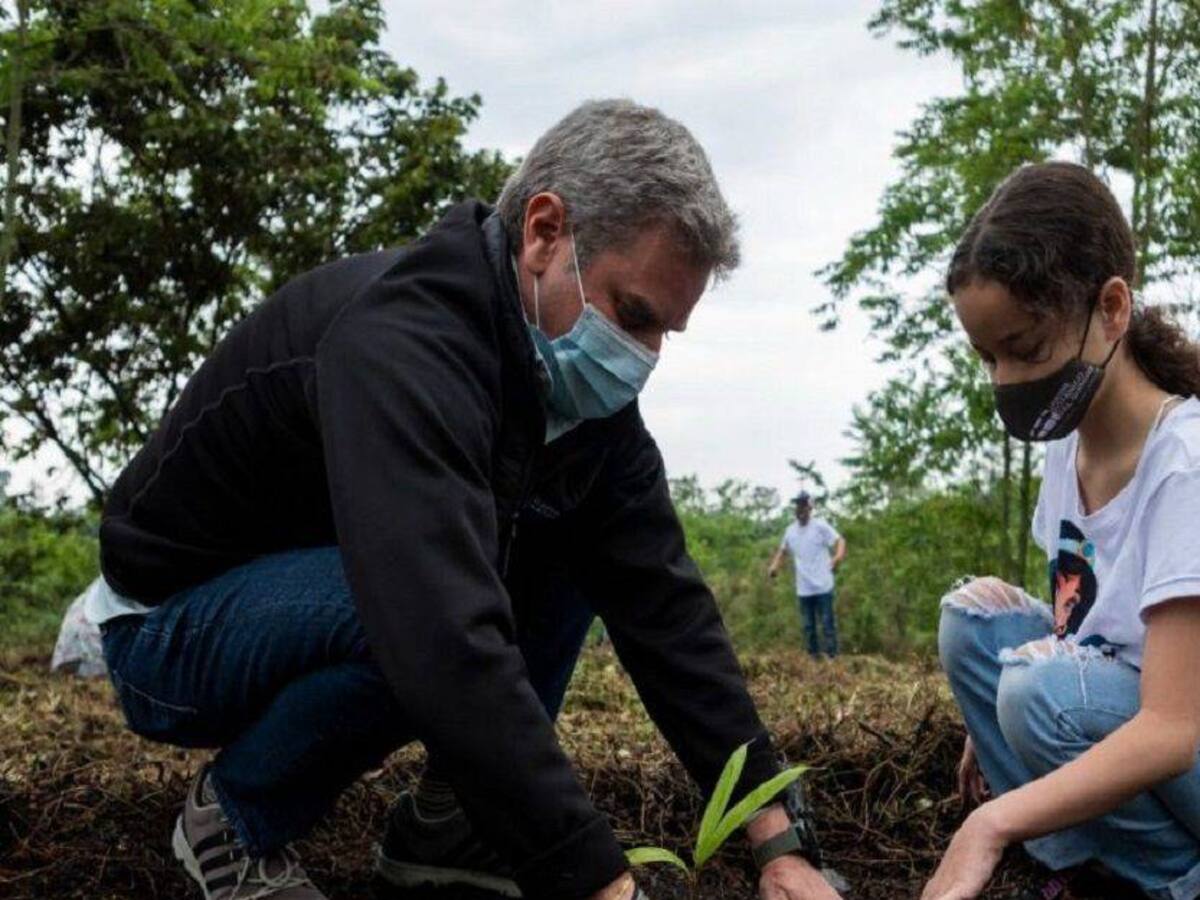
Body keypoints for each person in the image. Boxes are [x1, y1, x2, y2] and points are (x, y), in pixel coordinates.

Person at [90, 99, 843, 900]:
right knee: (413, 615)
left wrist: (779, 839)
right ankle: (233, 822)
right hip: (171, 631)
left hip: (340, 593)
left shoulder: (577, 402)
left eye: (664, 334)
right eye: (632, 315)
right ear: (544, 233)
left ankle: (454, 825)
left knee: (569, 545)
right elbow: (435, 631)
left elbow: (664, 606)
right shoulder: (400, 347)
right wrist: (597, 880)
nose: (642, 358)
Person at [926, 162, 1200, 900]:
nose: (1007, 381)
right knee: (970, 627)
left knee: (1038, 692)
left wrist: (993, 822)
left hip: (1186, 738)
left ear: (1111, 308)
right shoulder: (1066, 444)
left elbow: (1175, 729)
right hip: (1131, 708)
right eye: (989, 358)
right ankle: (1077, 860)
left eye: (1028, 349)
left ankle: (1173, 881)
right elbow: (1079, 618)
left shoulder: (1185, 465)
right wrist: (989, 725)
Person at [767, 492, 846, 658]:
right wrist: (774, 566)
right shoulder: (790, 531)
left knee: (827, 624)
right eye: (798, 506)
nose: (801, 509)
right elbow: (783, 551)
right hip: (804, 588)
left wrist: (837, 557)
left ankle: (832, 658)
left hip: (823, 585)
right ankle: (813, 659)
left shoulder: (820, 526)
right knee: (808, 626)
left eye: (804, 505)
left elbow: (840, 540)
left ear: (810, 508)